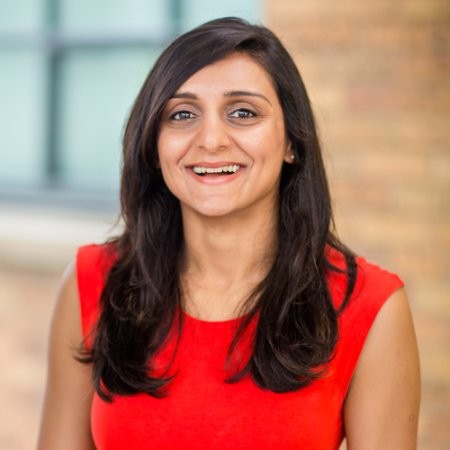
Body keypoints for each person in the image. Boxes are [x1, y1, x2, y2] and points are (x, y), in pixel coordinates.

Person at [38, 17, 420, 450]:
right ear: (154, 143)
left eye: (243, 112)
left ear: (292, 142)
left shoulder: (371, 307)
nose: (211, 139)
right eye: (182, 114)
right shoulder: (94, 282)